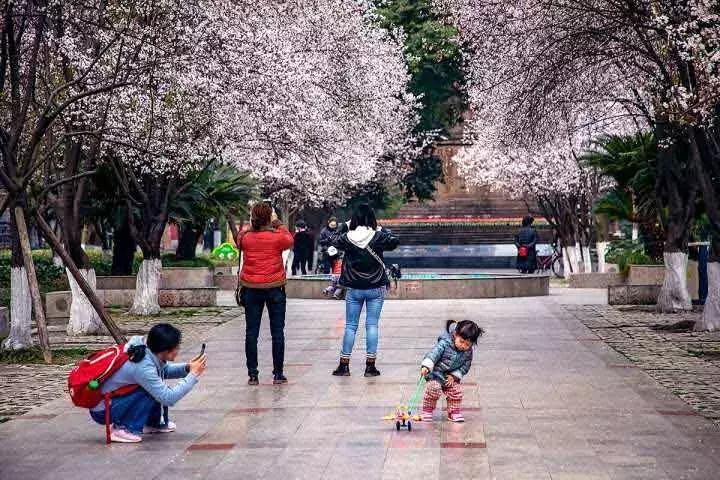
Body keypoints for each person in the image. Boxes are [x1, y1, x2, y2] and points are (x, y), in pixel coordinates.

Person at [89, 324, 207, 443]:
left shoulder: (146, 349)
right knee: (151, 390)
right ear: (165, 350)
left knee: (152, 385)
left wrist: (187, 368)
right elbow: (168, 398)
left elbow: (162, 371)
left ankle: (153, 423)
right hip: (103, 410)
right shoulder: (142, 366)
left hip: (112, 400)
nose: (178, 350)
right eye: (176, 347)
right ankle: (123, 429)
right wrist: (193, 375)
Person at [329, 204, 399, 377]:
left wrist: (345, 225)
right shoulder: (378, 236)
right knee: (372, 325)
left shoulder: (347, 237)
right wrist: (381, 228)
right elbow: (394, 240)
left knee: (351, 326)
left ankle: (344, 366)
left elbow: (333, 238)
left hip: (354, 289)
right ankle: (370, 367)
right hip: (375, 288)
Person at [237, 202, 294, 385]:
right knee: (277, 332)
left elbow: (240, 237)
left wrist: (252, 221)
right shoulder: (277, 237)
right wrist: (277, 222)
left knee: (251, 332)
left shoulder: (245, 237)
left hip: (251, 289)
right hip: (275, 288)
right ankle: (278, 374)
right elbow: (289, 239)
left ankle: (253, 374)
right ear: (270, 217)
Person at [420, 320, 483, 423]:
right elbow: (433, 354)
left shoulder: (468, 351)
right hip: (435, 374)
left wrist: (454, 376)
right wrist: (427, 366)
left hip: (450, 377)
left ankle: (453, 412)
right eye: (461, 341)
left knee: (456, 391)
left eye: (467, 344)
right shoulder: (444, 343)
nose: (463, 346)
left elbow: (465, 366)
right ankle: (427, 411)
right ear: (455, 334)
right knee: (433, 389)